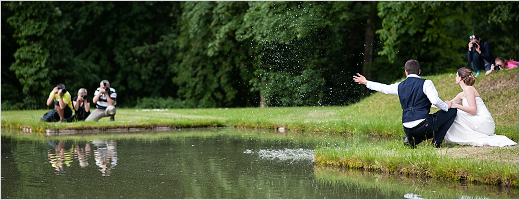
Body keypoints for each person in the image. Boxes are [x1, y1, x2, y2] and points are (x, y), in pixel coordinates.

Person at [353, 59, 457, 148]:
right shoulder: (426, 83)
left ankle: (413, 141)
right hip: (422, 125)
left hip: (407, 128)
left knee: (431, 122)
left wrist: (366, 82)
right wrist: (446, 106)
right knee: (451, 111)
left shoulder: (400, 86)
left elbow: (384, 88)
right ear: (419, 72)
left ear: (406, 72)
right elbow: (434, 100)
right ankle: (436, 143)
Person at [444, 67, 517, 147]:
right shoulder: (462, 94)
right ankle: (462, 136)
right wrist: (430, 104)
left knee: (455, 112)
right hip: (477, 122)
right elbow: (447, 105)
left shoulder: (469, 89)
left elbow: (473, 110)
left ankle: (455, 138)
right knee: (451, 110)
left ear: (460, 78)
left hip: (483, 122)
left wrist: (457, 106)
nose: (455, 78)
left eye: (456, 75)